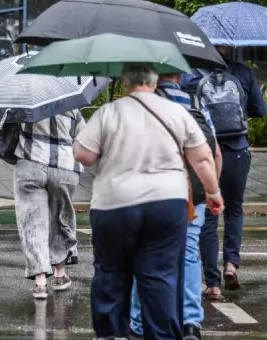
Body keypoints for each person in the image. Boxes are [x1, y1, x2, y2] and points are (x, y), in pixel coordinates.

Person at [74, 63, 224, 340]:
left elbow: (84, 154)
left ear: (125, 83)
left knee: (111, 272)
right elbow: (204, 157)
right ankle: (161, 334)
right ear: (154, 83)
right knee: (160, 276)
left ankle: (111, 334)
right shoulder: (178, 111)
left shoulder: (110, 111)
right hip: (166, 204)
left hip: (115, 204)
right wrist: (213, 193)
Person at [128, 72, 223, 340]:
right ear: (180, 75)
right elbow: (213, 152)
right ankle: (191, 322)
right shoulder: (196, 103)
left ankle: (137, 323)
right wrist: (213, 190)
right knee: (189, 255)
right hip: (193, 195)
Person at [184, 46, 267, 299]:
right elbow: (260, 111)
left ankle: (212, 283)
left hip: (207, 150)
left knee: (208, 214)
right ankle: (231, 264)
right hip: (238, 149)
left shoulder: (192, 75)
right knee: (234, 209)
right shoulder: (243, 73)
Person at [13, 109, 84, 300]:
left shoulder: (22, 103)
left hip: (30, 164)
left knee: (32, 221)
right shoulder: (72, 107)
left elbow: (7, 131)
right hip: (65, 168)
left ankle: (41, 282)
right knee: (60, 217)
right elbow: (83, 137)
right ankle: (60, 275)